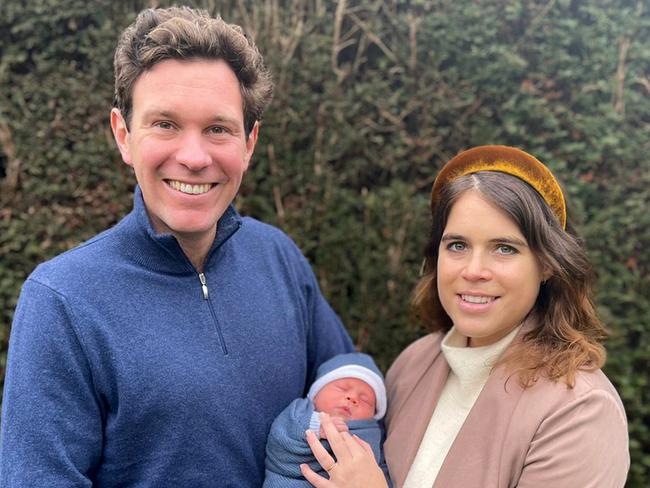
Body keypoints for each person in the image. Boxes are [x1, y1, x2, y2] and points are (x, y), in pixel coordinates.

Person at [0, 6, 354, 487]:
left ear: (249, 143)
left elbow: (354, 396)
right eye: (164, 124)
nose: (192, 156)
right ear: (124, 136)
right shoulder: (62, 301)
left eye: (218, 129)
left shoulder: (278, 258)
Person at [301, 145, 629, 488]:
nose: (474, 271)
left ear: (547, 263)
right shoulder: (413, 365)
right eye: (457, 245)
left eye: (504, 248)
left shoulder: (581, 411)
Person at [264, 352, 387, 487]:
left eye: (365, 400)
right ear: (315, 394)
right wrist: (316, 426)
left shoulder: (374, 435)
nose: (352, 398)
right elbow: (279, 441)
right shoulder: (300, 411)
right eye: (342, 388)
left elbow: (382, 470)